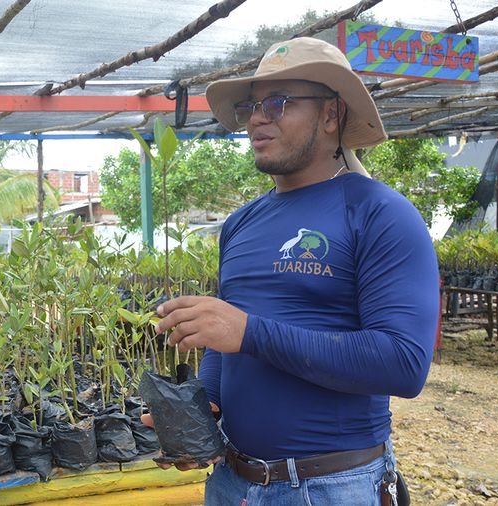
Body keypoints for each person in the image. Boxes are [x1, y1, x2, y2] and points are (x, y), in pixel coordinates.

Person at [146, 37, 438, 504]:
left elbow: (404, 364)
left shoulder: (379, 213)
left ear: (331, 115)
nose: (258, 118)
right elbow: (227, 342)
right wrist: (201, 411)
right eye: (253, 105)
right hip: (232, 482)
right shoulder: (240, 224)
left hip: (329, 487)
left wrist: (250, 332)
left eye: (279, 103)